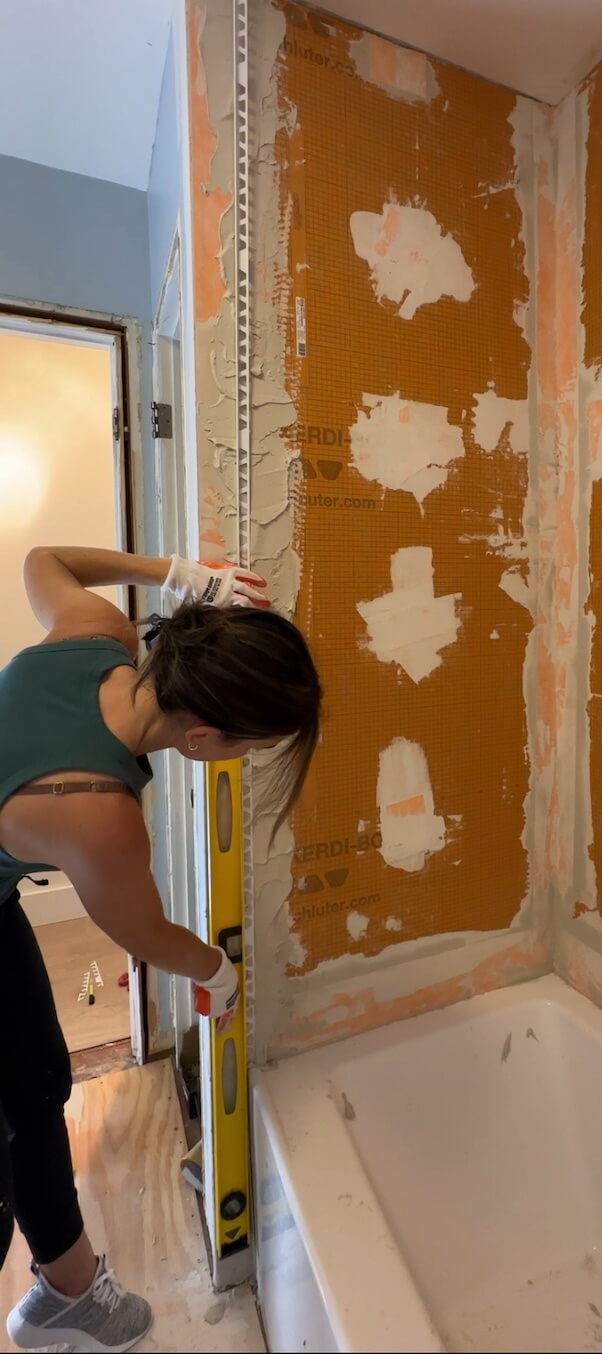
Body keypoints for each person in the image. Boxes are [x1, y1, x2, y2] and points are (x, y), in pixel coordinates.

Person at [0, 546, 321, 1352]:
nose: (246, 760)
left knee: (37, 1079)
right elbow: (142, 936)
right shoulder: (96, 811)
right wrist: (220, 972)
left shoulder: (96, 635)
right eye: (249, 747)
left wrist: (176, 571)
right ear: (206, 734)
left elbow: (44, 561)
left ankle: (68, 1299)